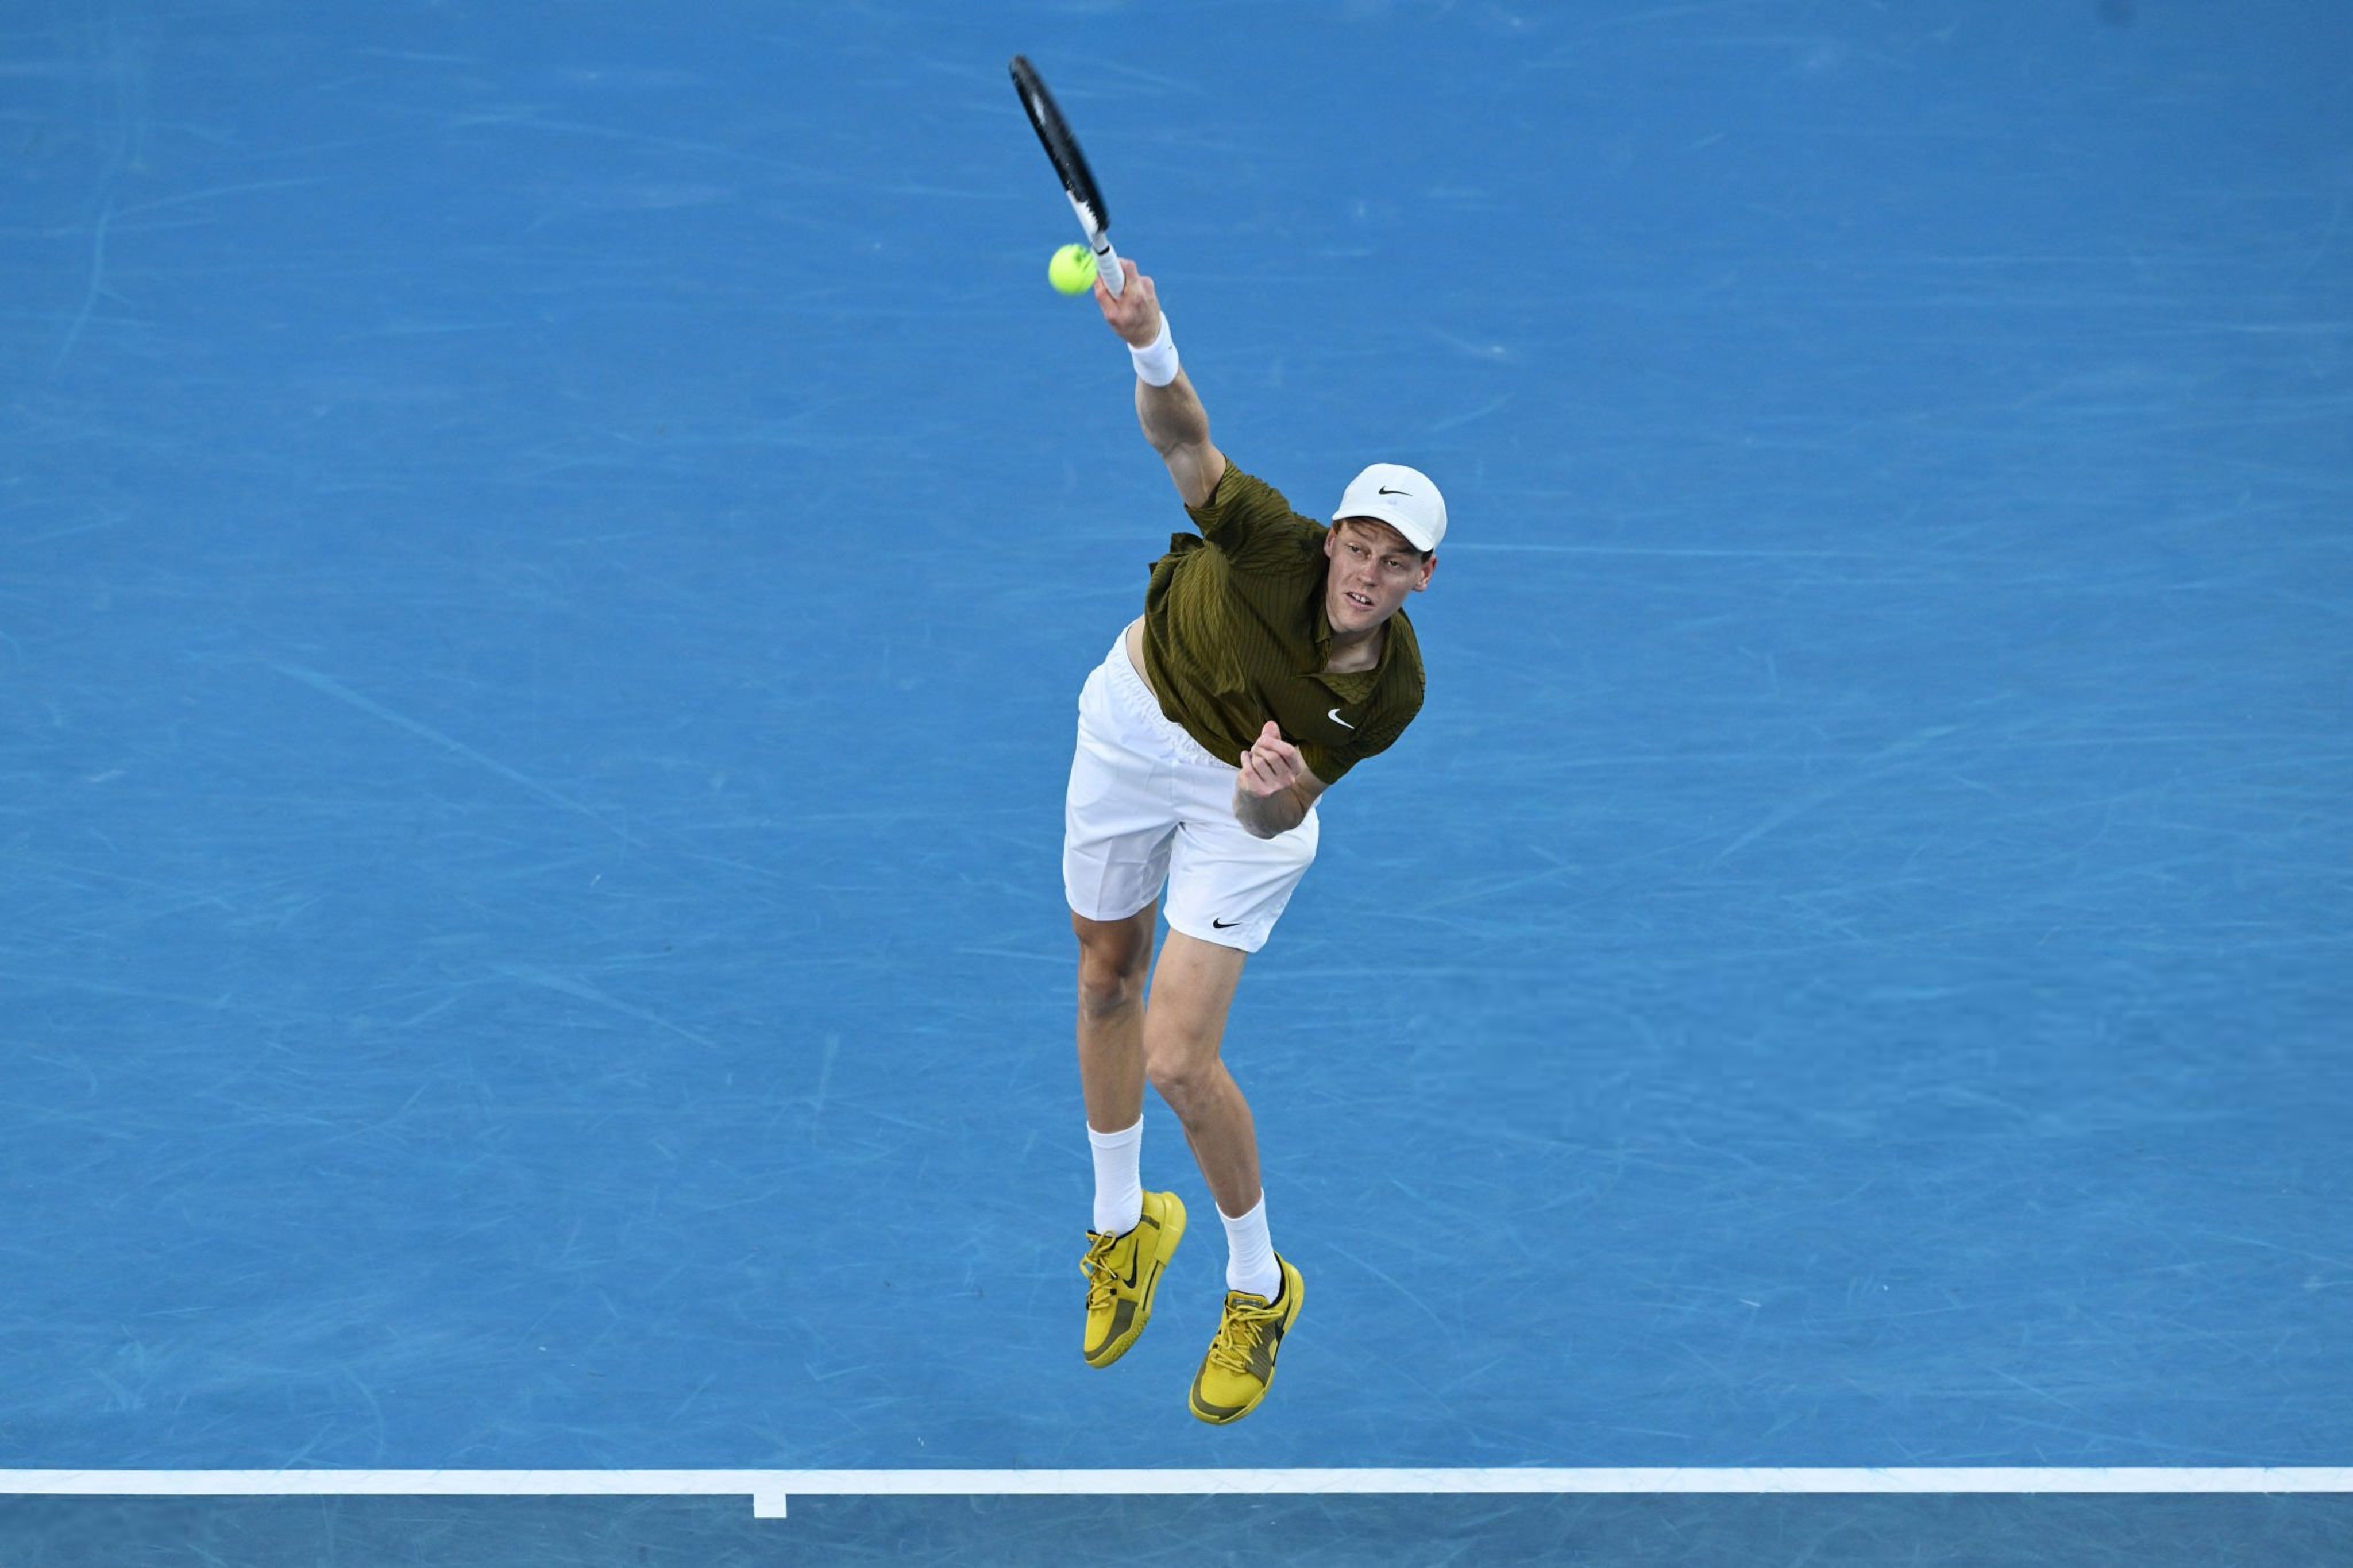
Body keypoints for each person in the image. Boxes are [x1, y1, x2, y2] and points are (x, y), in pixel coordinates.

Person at [1063, 257, 1444, 1424]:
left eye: (1394, 562)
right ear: (1331, 540)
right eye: (1358, 547)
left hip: (1248, 801)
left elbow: (1277, 819)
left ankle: (1255, 1284)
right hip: (1132, 724)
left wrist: (1270, 792)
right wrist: (1149, 338)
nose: (1366, 574)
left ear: (1422, 578)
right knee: (1103, 975)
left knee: (1180, 1061)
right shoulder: (1270, 540)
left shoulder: (1389, 696)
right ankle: (1124, 1229)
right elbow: (1183, 440)